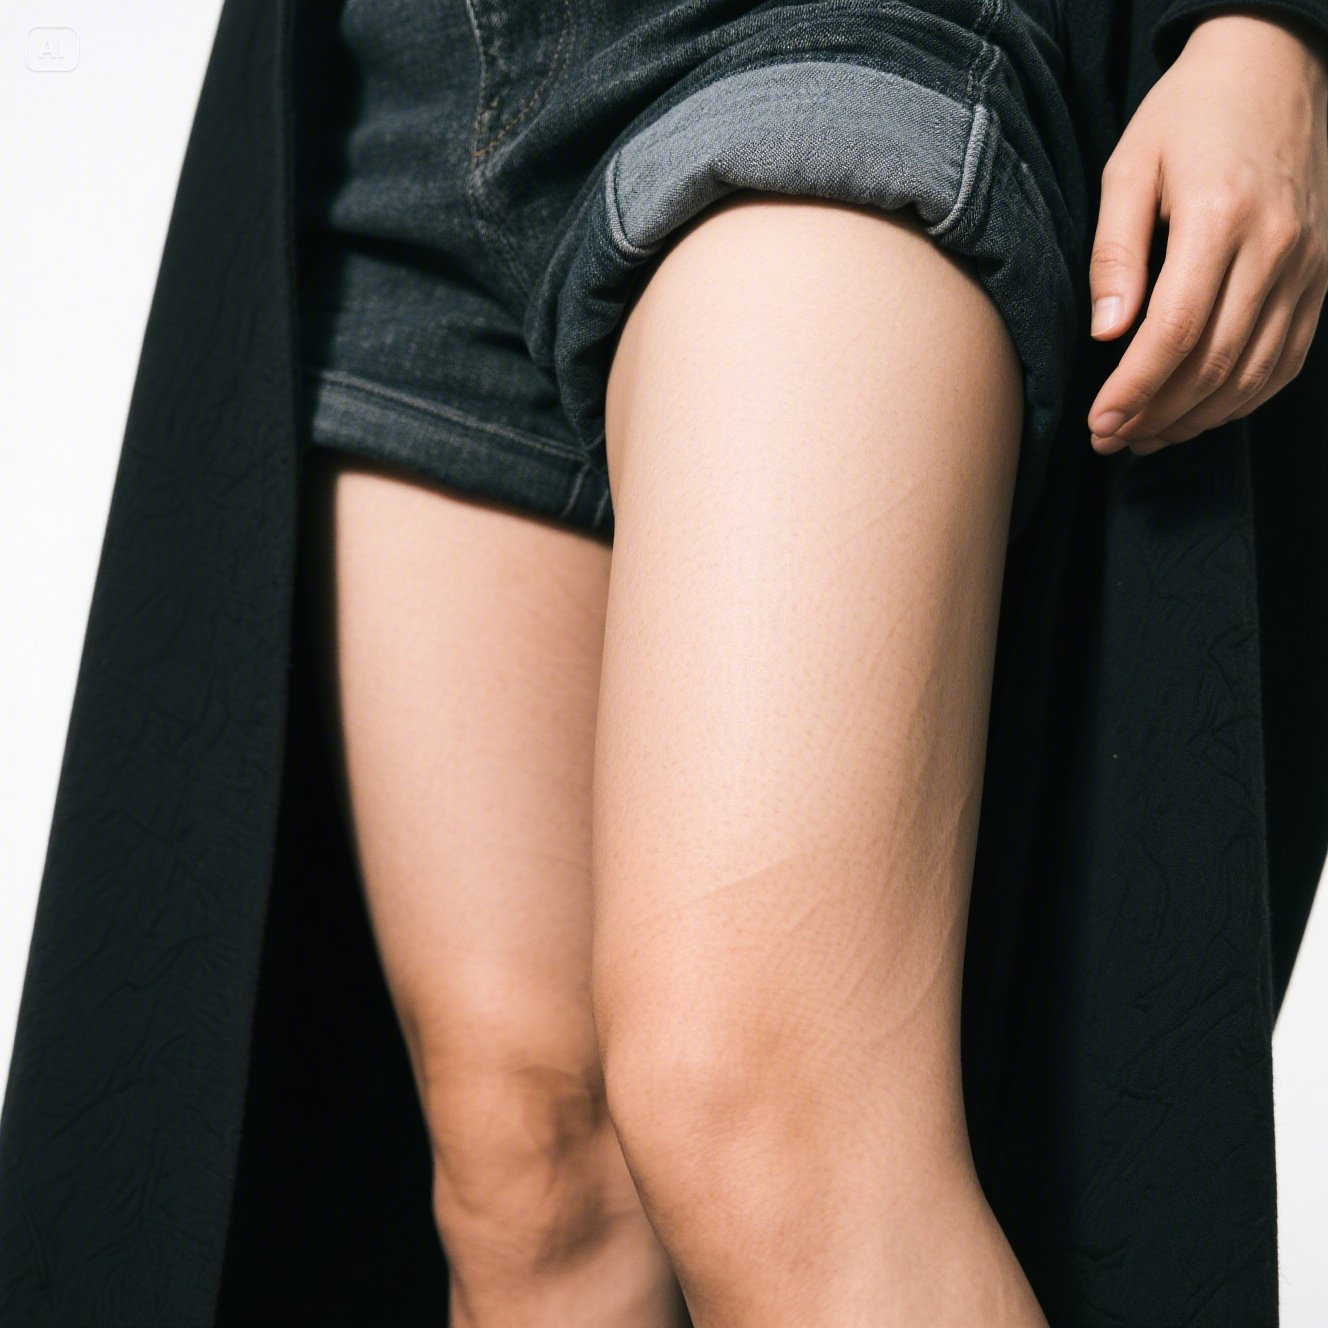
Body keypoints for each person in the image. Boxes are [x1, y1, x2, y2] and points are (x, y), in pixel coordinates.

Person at [287, 1, 1328, 1323]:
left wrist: (1275, 31)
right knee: (531, 1174)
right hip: (421, 84)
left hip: (822, 31)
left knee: (762, 1109)